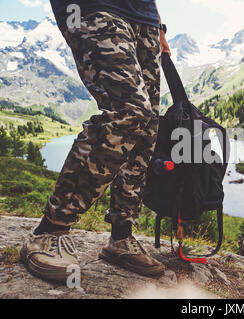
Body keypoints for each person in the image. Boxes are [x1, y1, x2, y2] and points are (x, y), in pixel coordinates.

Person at [20, 0, 171, 282]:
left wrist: (159, 26)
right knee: (129, 112)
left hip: (144, 18)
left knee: (147, 125)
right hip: (92, 8)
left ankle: (121, 237)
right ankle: (49, 230)